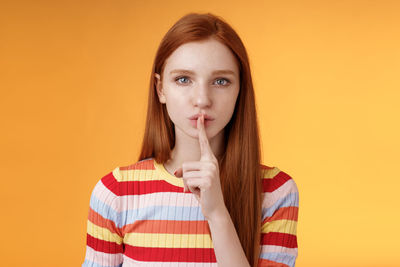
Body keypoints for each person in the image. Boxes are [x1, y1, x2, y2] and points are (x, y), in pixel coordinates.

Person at [82, 12, 299, 267]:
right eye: (183, 79)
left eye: (221, 81)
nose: (202, 99)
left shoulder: (276, 192)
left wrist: (218, 214)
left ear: (240, 90)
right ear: (160, 89)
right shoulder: (115, 192)